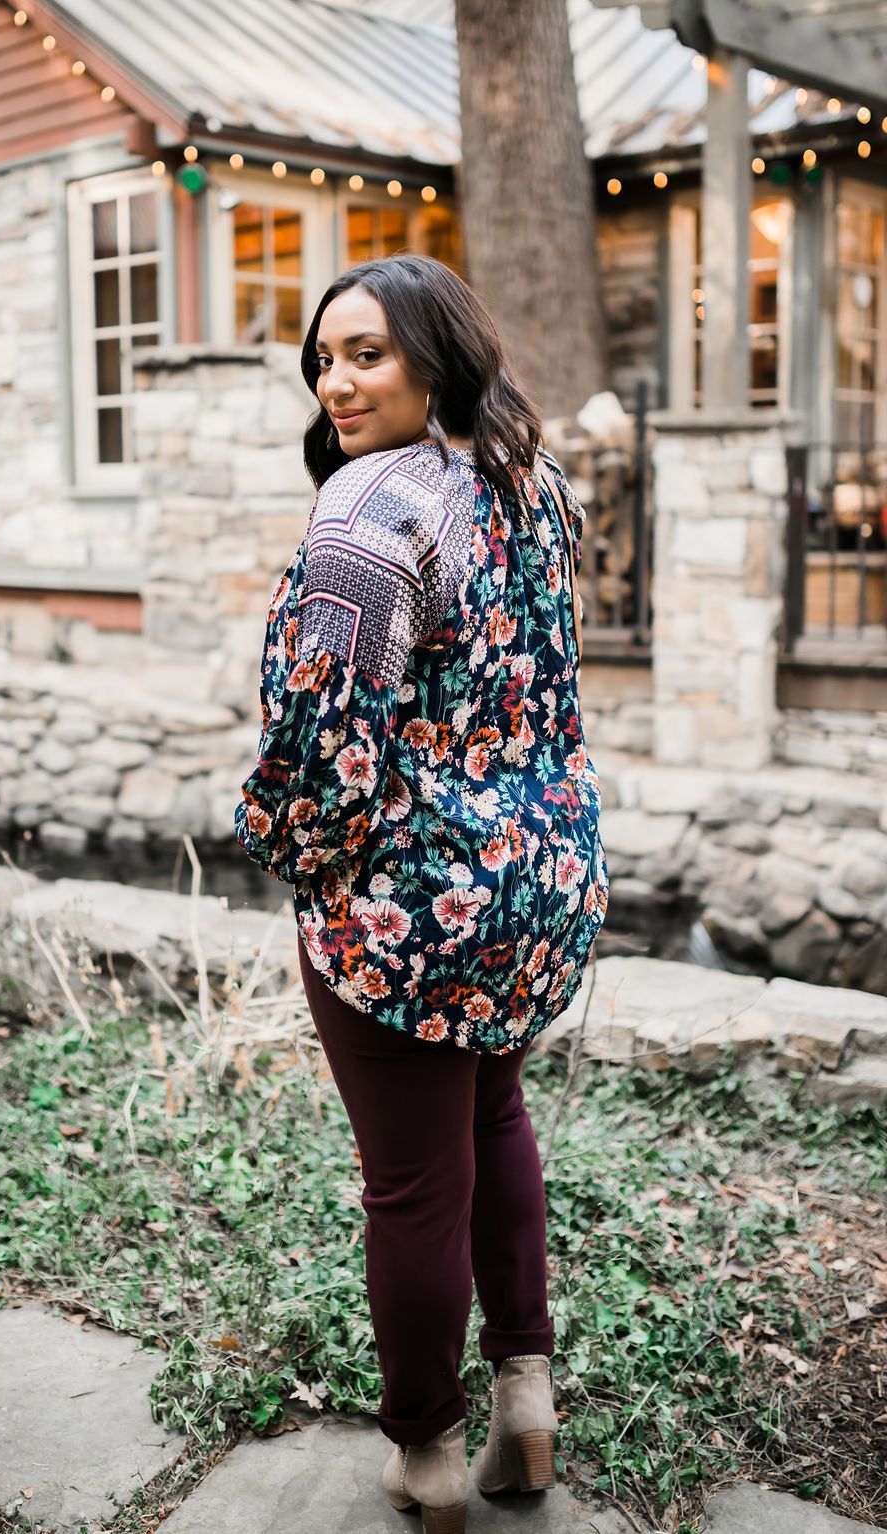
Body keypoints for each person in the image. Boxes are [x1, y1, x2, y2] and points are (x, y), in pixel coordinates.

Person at [234, 253, 608, 1534]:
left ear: (435, 357)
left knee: (410, 1183)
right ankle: (526, 1398)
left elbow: (318, 737)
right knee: (494, 1117)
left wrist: (288, 848)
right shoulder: (531, 484)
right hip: (537, 877)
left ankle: (428, 1456)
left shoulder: (365, 511)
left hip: (408, 904)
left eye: (367, 354)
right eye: (323, 357)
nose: (336, 381)